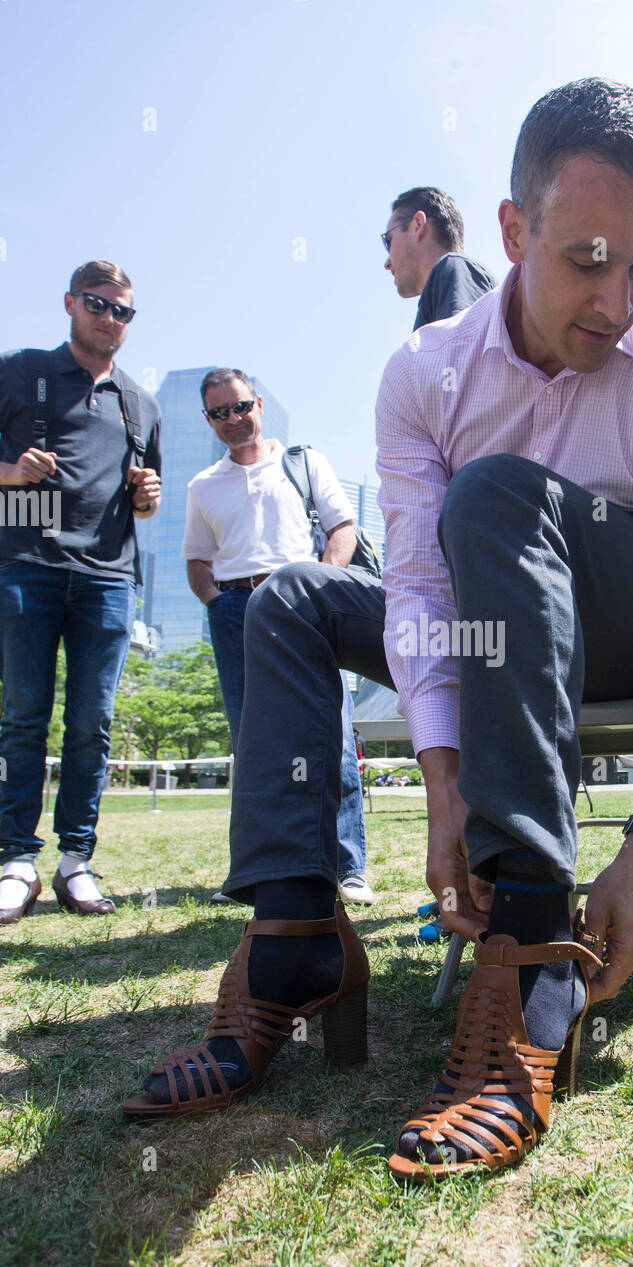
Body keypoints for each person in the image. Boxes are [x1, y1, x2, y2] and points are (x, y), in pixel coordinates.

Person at [124, 79, 633, 1189]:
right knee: (284, 596)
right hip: (483, 624)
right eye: (587, 260)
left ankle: (526, 951)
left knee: (496, 497)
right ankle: (295, 938)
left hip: (628, 630)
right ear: (514, 233)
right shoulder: (424, 375)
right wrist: (439, 779)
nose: (618, 302)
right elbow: (417, 590)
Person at [0, 261, 162, 925]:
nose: (110, 319)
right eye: (98, 304)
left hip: (108, 578)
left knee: (93, 723)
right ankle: (16, 864)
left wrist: (148, 499)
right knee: (26, 715)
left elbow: (142, 498)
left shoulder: (138, 403)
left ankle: (75, 861)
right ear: (70, 303)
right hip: (26, 561)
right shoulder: (19, 369)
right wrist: (5, 471)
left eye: (123, 311)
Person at [182, 367, 374, 907]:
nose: (232, 419)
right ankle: (258, 870)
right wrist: (219, 604)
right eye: (219, 412)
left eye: (240, 406)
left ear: (258, 404)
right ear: (208, 420)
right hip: (235, 608)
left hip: (301, 605)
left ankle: (348, 865)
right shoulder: (202, 486)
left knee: (330, 732)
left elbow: (343, 529)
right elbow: (198, 561)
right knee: (252, 743)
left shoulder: (304, 462)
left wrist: (322, 586)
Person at [383, 187, 496, 328]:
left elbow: (461, 346)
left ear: (418, 225)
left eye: (388, 241)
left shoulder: (454, 267)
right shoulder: (451, 281)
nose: (387, 264)